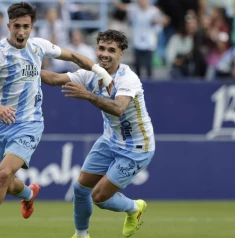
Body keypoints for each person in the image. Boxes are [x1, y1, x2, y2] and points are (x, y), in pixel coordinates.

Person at [0, 2, 112, 238]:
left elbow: (71, 55)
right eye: (16, 26)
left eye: (26, 26)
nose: (21, 32)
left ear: (32, 26)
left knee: (2, 175)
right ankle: (29, 194)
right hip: (2, 124)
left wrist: (99, 71)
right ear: (9, 25)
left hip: (30, 124)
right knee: (7, 184)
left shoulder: (38, 46)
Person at [41, 29, 155, 238]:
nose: (105, 54)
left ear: (121, 54)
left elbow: (119, 108)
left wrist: (87, 95)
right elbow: (56, 78)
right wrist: (26, 69)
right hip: (110, 140)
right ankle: (81, 234)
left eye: (112, 50)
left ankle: (134, 208)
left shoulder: (128, 78)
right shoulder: (91, 73)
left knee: (99, 197)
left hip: (136, 147)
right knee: (80, 189)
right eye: (101, 48)